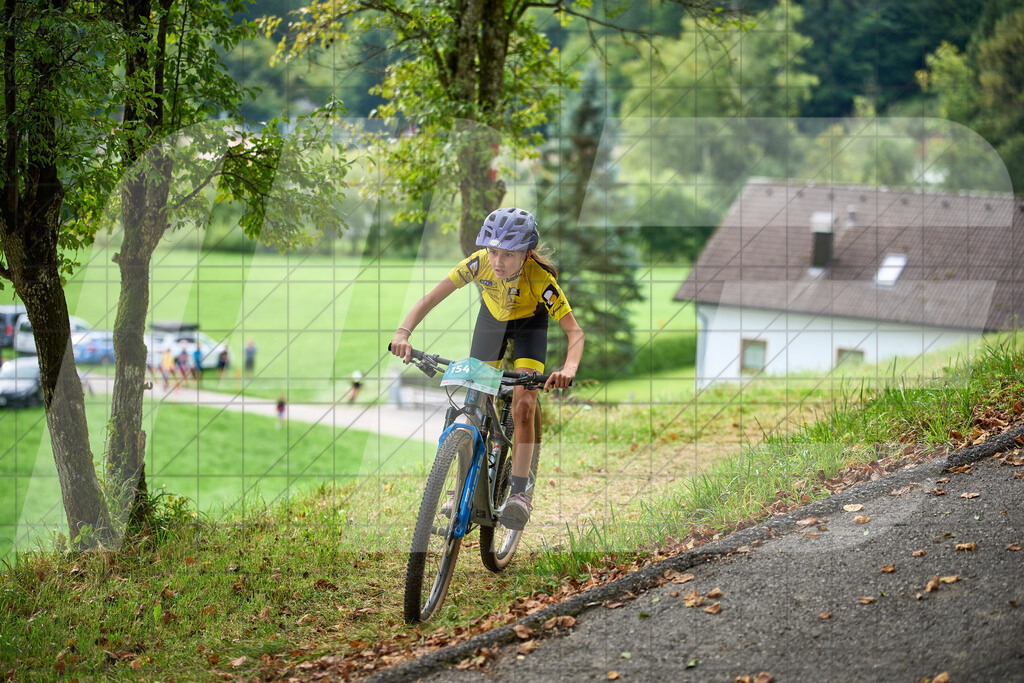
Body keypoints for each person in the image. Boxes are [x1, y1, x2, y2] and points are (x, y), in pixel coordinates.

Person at [389, 207, 584, 531]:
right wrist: (403, 333)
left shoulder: (541, 280)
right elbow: (429, 299)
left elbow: (574, 332)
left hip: (528, 327)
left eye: (508, 254)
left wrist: (569, 368)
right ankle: (458, 487)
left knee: (523, 404)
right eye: (493, 251)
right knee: (473, 401)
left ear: (527, 253)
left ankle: (520, 494)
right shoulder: (478, 264)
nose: (498, 261)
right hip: (491, 323)